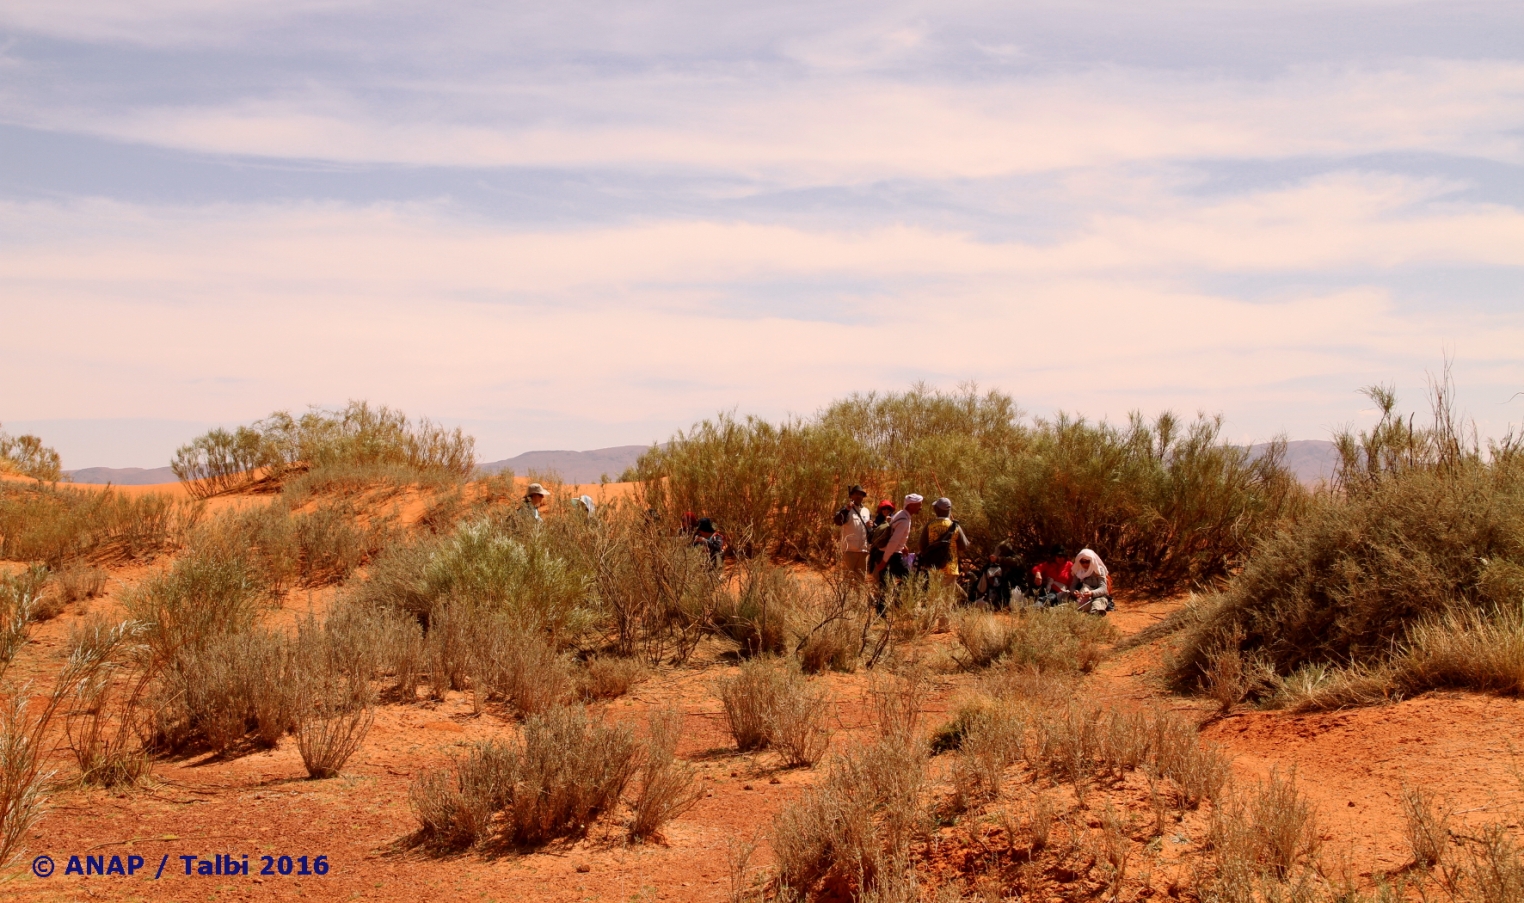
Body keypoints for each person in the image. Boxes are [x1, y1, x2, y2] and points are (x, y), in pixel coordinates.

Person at [917, 497, 969, 586]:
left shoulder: (929, 525)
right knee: (948, 598)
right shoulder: (955, 527)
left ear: (937, 509)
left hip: (933, 567)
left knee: (934, 596)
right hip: (951, 568)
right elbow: (964, 546)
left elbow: (921, 545)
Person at [872, 494, 921, 585]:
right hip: (892, 556)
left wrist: (903, 546)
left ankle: (893, 597)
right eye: (919, 505)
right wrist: (884, 561)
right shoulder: (904, 520)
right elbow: (893, 542)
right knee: (910, 580)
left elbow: (892, 533)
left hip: (885, 553)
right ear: (911, 505)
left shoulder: (901, 514)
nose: (920, 508)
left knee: (885, 586)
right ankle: (898, 597)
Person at [833, 484, 873, 574]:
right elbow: (838, 521)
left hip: (863, 551)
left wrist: (870, 526)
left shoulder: (866, 511)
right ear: (851, 496)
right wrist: (846, 510)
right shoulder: (846, 509)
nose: (859, 496)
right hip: (849, 550)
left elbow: (870, 530)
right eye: (856, 494)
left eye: (861, 494)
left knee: (861, 581)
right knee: (847, 580)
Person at [1064, 548, 1113, 614]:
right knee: (1069, 600)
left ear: (1092, 561)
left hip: (1098, 595)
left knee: (1100, 600)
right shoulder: (1078, 571)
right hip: (1083, 596)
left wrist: (1092, 593)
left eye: (1087, 561)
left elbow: (1103, 588)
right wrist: (1074, 592)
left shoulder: (1098, 570)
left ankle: (1095, 611)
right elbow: (1073, 586)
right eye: (1082, 562)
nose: (1085, 564)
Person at [866, 499, 896, 574]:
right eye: (883, 508)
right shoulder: (877, 520)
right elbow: (872, 538)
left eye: (888, 508)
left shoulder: (894, 519)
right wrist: (870, 527)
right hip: (878, 551)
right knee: (878, 573)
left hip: (890, 550)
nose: (886, 510)